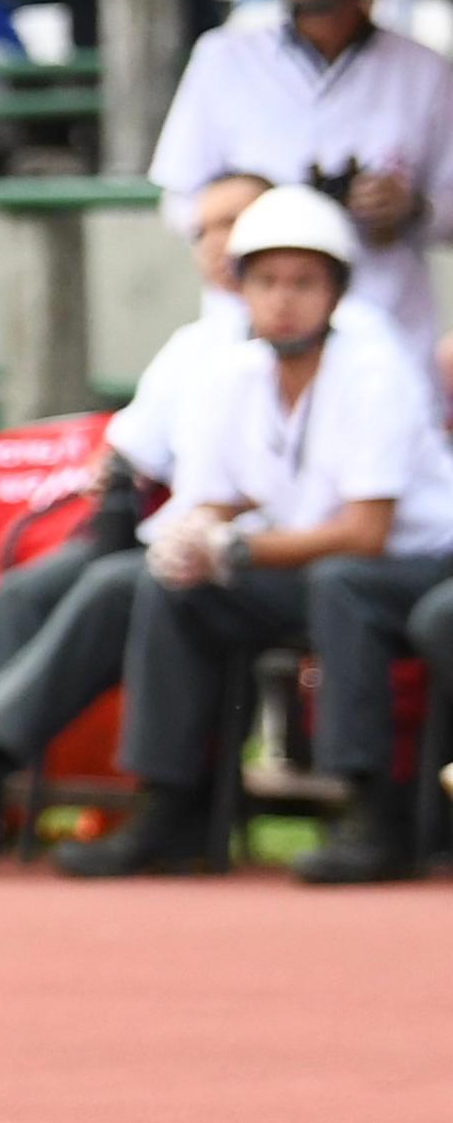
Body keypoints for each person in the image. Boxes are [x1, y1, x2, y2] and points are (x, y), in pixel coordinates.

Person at [63, 187, 453, 886]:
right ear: (238, 287)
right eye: (267, 281)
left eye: (304, 282)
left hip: (418, 565)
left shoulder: (375, 367)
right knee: (174, 588)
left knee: (344, 586)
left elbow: (368, 534)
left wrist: (237, 549)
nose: (284, 300)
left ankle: (370, 814)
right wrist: (189, 537)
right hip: (313, 568)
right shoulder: (231, 372)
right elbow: (217, 498)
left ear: (336, 292)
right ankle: (170, 809)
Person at [0, 276, 247, 876]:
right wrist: (117, 473)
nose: (219, 244)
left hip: (234, 546)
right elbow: (130, 447)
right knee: (23, 590)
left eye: (233, 225)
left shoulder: (335, 345)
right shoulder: (197, 342)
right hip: (161, 528)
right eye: (207, 228)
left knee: (117, 586)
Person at [144, 0, 453, 366]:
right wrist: (224, 220)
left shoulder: (425, 71)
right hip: (250, 333)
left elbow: (448, 209)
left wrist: (412, 208)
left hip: (383, 331)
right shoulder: (225, 56)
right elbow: (176, 198)